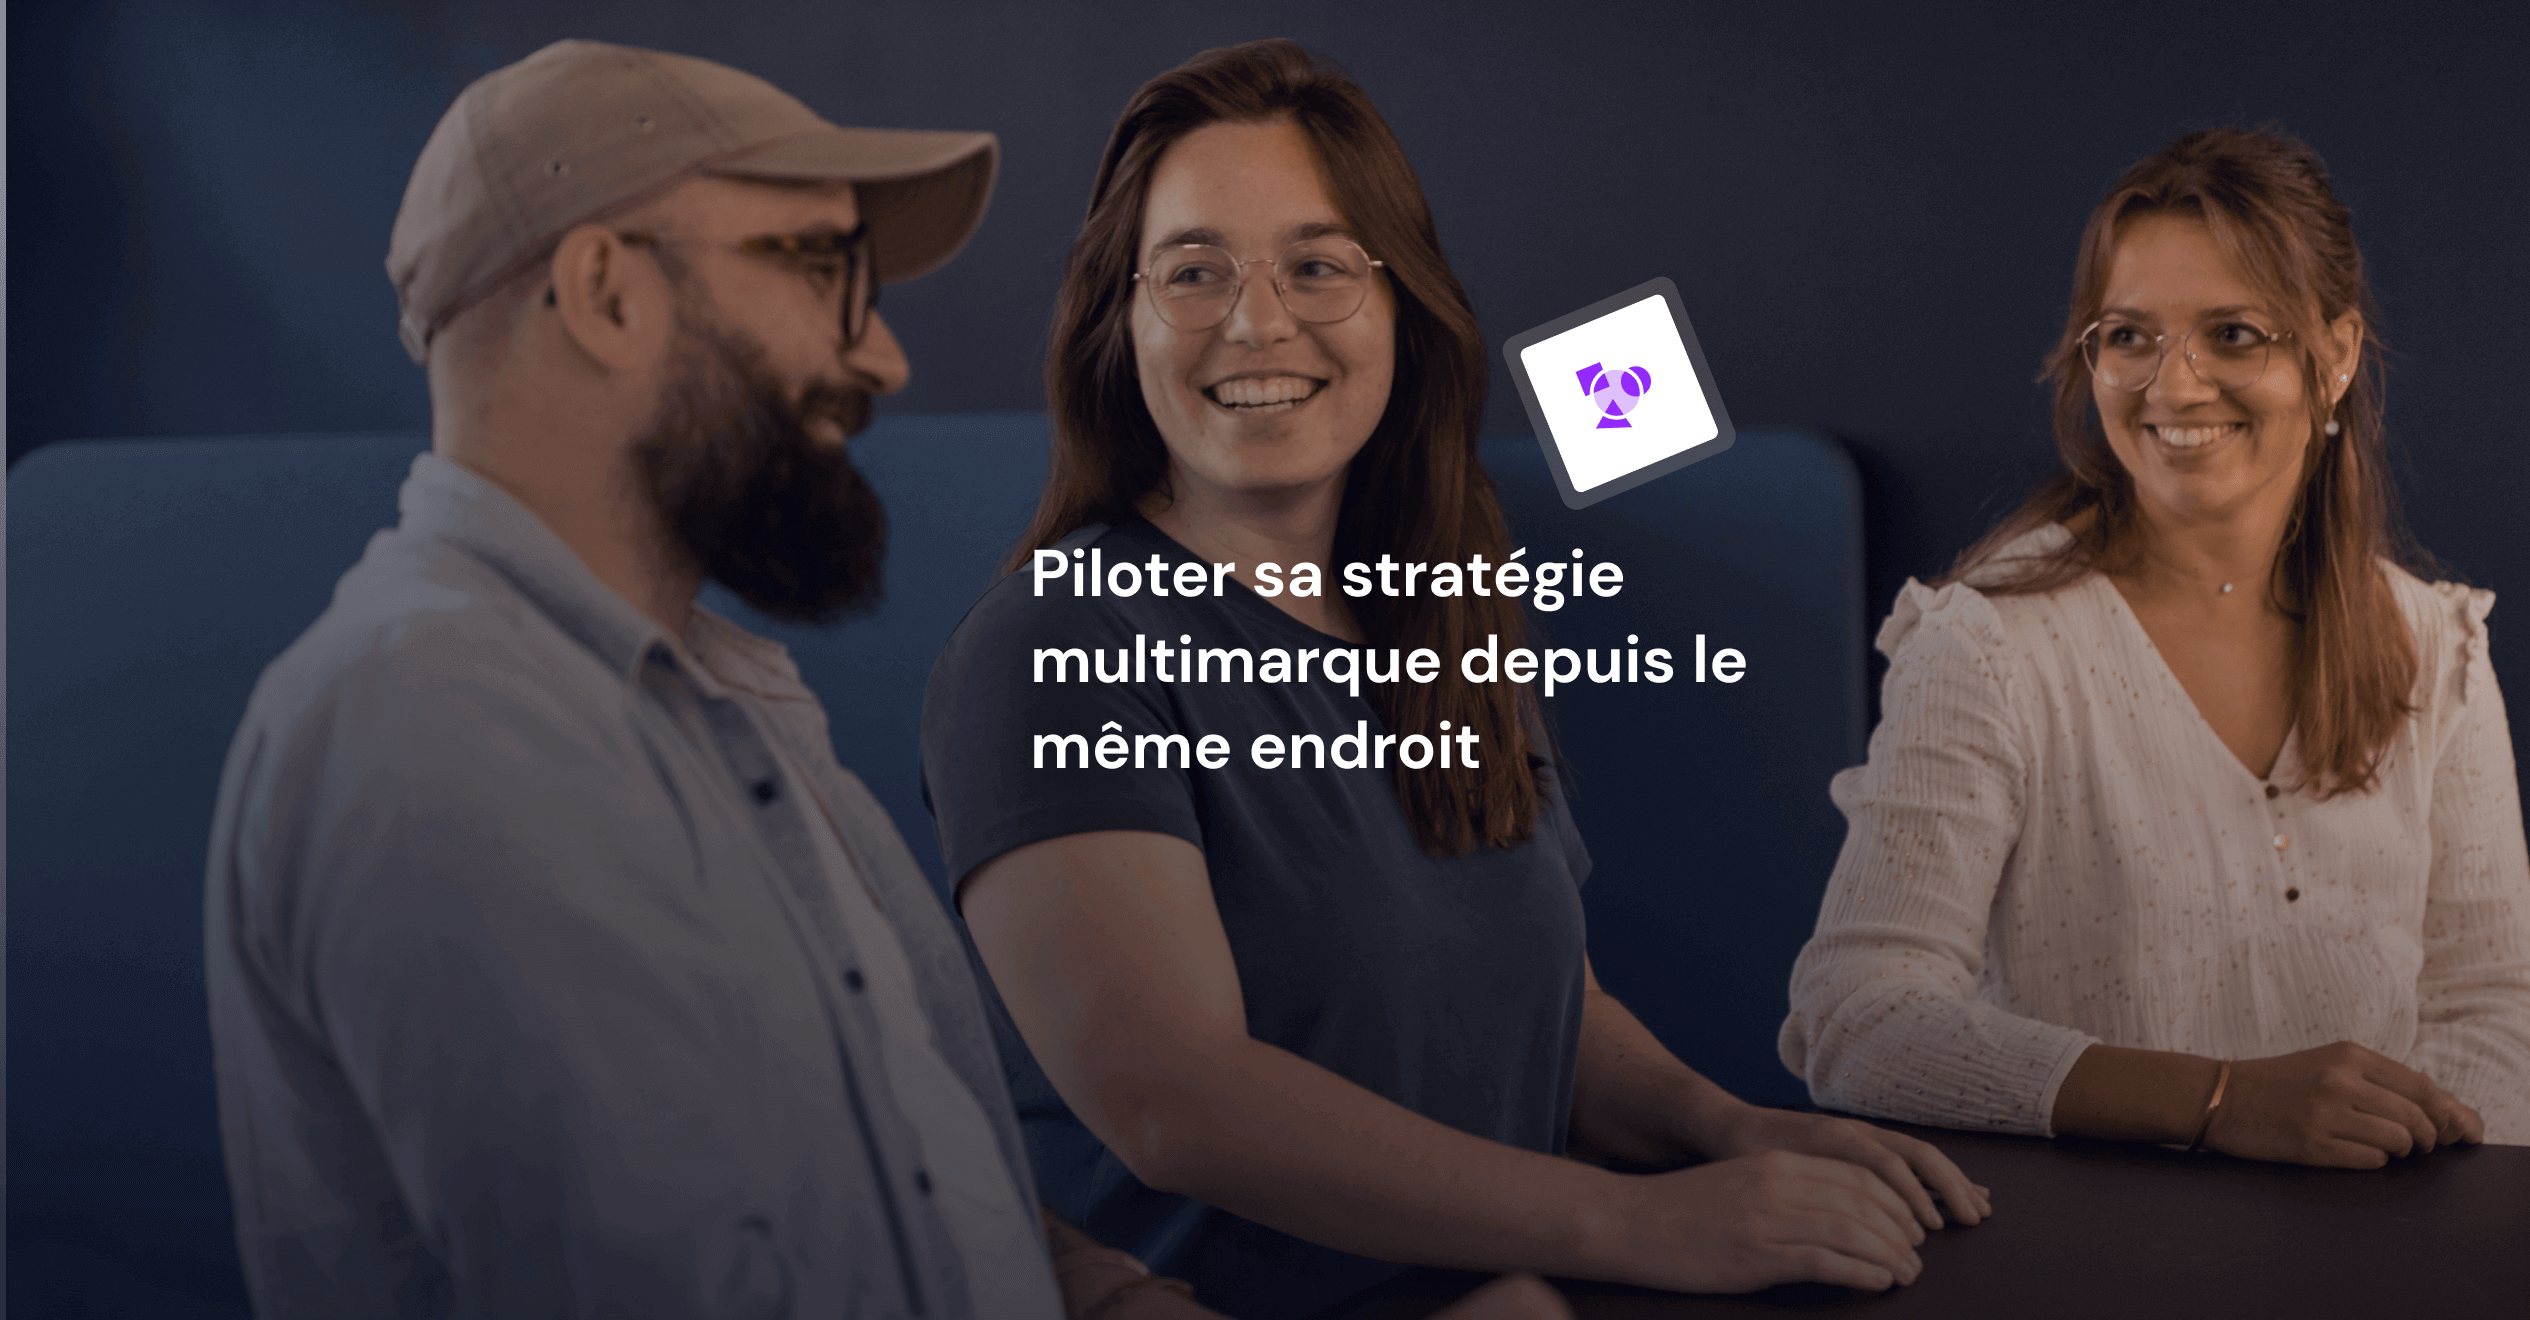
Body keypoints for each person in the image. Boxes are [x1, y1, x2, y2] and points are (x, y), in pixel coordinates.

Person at [204, 39, 1581, 1320]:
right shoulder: (440, 729)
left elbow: (933, 1213)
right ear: (605, 294)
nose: (881, 353)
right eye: (817, 269)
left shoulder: (729, 716)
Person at [920, 40, 1987, 1320]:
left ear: (1401, 307)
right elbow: (1175, 1104)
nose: (1257, 320)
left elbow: (1547, 1003)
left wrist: (1720, 1131)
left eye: (1316, 266)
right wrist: (1640, 1222)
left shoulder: (1445, 610)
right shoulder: (1050, 645)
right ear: (1118, 321)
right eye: (1194, 271)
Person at [1779, 127, 2530, 1165]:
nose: (2172, 388)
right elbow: (1858, 1021)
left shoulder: (2432, 646)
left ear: (2338, 355)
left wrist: (2404, 1193)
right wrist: (2218, 1102)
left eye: (2232, 334)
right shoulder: (1987, 646)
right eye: (2129, 336)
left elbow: (2489, 1005)